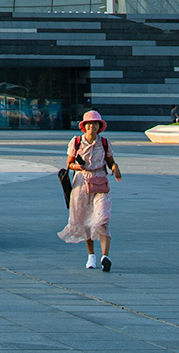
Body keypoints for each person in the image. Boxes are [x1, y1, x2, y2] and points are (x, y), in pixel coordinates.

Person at [59, 110, 122, 271]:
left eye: (95, 123)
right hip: (81, 182)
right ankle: (91, 256)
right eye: (89, 123)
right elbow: (69, 164)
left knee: (102, 219)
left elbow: (110, 162)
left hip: (100, 181)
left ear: (99, 126)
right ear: (84, 126)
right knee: (85, 220)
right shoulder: (76, 142)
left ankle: (105, 256)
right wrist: (77, 166)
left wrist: (115, 168)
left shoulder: (105, 143)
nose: (92, 126)